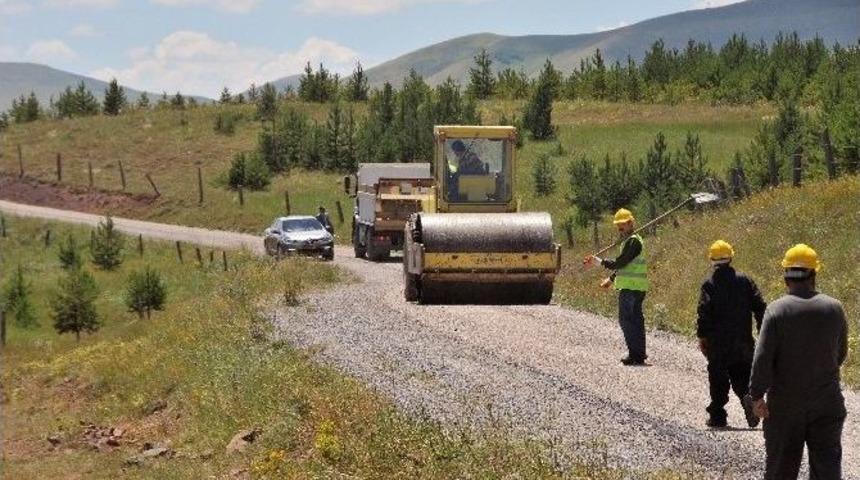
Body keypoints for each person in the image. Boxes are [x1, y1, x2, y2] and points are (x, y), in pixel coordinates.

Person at [747, 244, 849, 479]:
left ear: (786, 277)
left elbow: (762, 359)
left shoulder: (776, 310)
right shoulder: (834, 308)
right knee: (827, 471)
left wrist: (756, 396)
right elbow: (840, 354)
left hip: (785, 406)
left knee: (781, 470)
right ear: (814, 274)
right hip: (827, 402)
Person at [696, 240, 767, 429]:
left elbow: (704, 311)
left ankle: (718, 415)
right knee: (742, 373)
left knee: (718, 377)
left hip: (717, 342)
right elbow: (760, 306)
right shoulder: (745, 280)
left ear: (712, 260)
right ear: (731, 257)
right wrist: (763, 332)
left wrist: (702, 336)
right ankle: (749, 400)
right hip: (743, 339)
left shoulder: (709, 283)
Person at [585, 208, 648, 365]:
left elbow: (620, 263)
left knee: (627, 320)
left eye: (623, 224)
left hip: (631, 288)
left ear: (630, 223)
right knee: (635, 320)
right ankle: (639, 354)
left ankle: (635, 354)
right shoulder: (630, 241)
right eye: (618, 224)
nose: (620, 227)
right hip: (635, 287)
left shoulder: (633, 241)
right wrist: (612, 279)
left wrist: (599, 261)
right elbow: (626, 266)